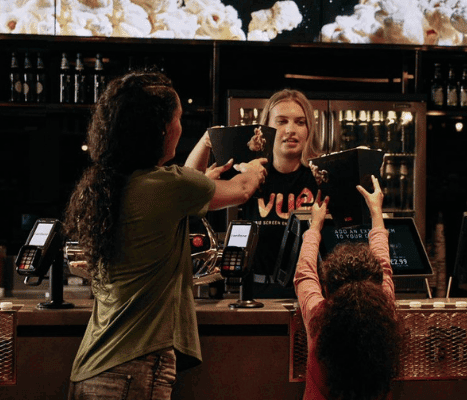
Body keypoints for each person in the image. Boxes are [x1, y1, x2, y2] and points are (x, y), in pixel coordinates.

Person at [64, 71, 267, 399]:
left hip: (92, 367)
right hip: (134, 368)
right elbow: (241, 189)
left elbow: (186, 180)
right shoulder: (167, 186)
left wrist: (205, 149)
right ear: (160, 129)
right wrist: (256, 168)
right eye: (178, 119)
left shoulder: (109, 186)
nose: (180, 127)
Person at [186, 89, 321, 295]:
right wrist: (207, 139)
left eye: (300, 122)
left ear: (309, 128)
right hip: (256, 292)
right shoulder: (251, 171)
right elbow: (189, 186)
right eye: (282, 121)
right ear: (265, 128)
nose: (290, 130)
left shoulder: (319, 176)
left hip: (309, 292)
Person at [294, 176, 401, 400]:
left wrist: (315, 225)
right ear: (376, 283)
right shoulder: (386, 309)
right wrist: (376, 212)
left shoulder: (318, 315)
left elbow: (304, 272)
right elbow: (384, 263)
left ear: (327, 287)